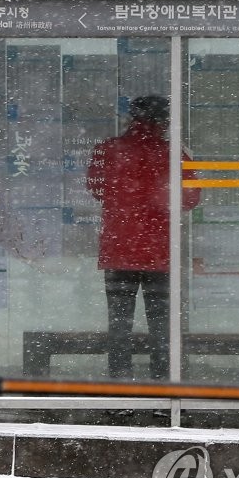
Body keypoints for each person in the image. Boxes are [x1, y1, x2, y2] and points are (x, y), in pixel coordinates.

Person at [86, 96, 201, 380]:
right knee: (161, 323)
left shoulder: (108, 149)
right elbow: (190, 199)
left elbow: (97, 189)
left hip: (118, 248)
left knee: (119, 322)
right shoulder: (173, 153)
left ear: (132, 119)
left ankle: (120, 377)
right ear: (163, 121)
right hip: (159, 249)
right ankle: (161, 379)